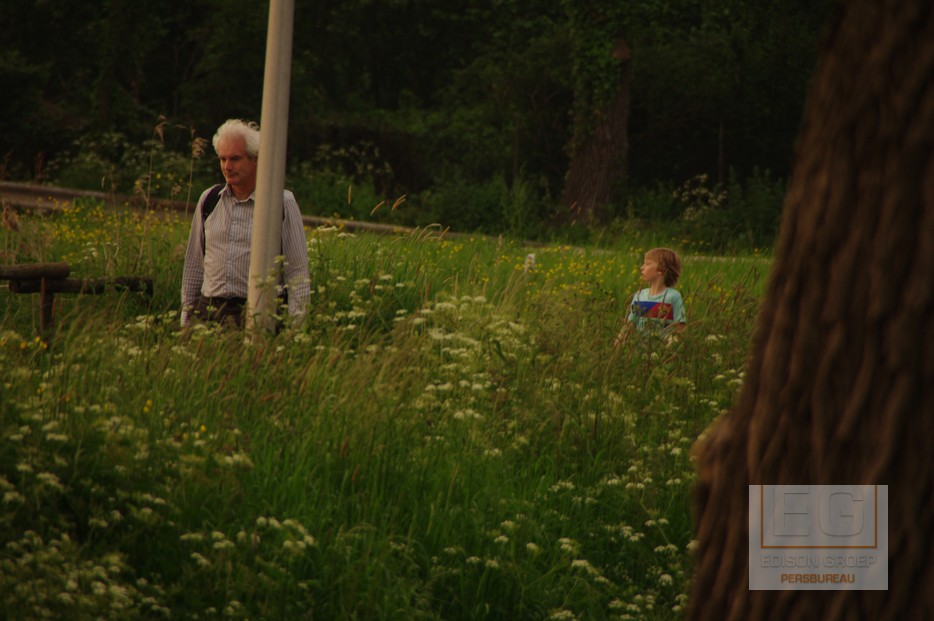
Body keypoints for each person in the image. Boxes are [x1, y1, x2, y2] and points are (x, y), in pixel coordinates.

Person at [180, 119, 310, 329]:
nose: (227, 167)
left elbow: (297, 272)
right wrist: (186, 317)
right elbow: (194, 265)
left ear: (255, 159)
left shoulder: (281, 202)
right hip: (208, 310)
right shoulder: (209, 200)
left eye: (235, 159)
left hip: (258, 312)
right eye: (222, 159)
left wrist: (296, 329)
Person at [615, 247, 686, 345]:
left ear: (661, 269)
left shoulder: (673, 296)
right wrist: (618, 342)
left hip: (661, 350)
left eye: (647, 264)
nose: (642, 267)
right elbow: (630, 324)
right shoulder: (640, 295)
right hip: (639, 349)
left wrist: (671, 347)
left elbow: (680, 327)